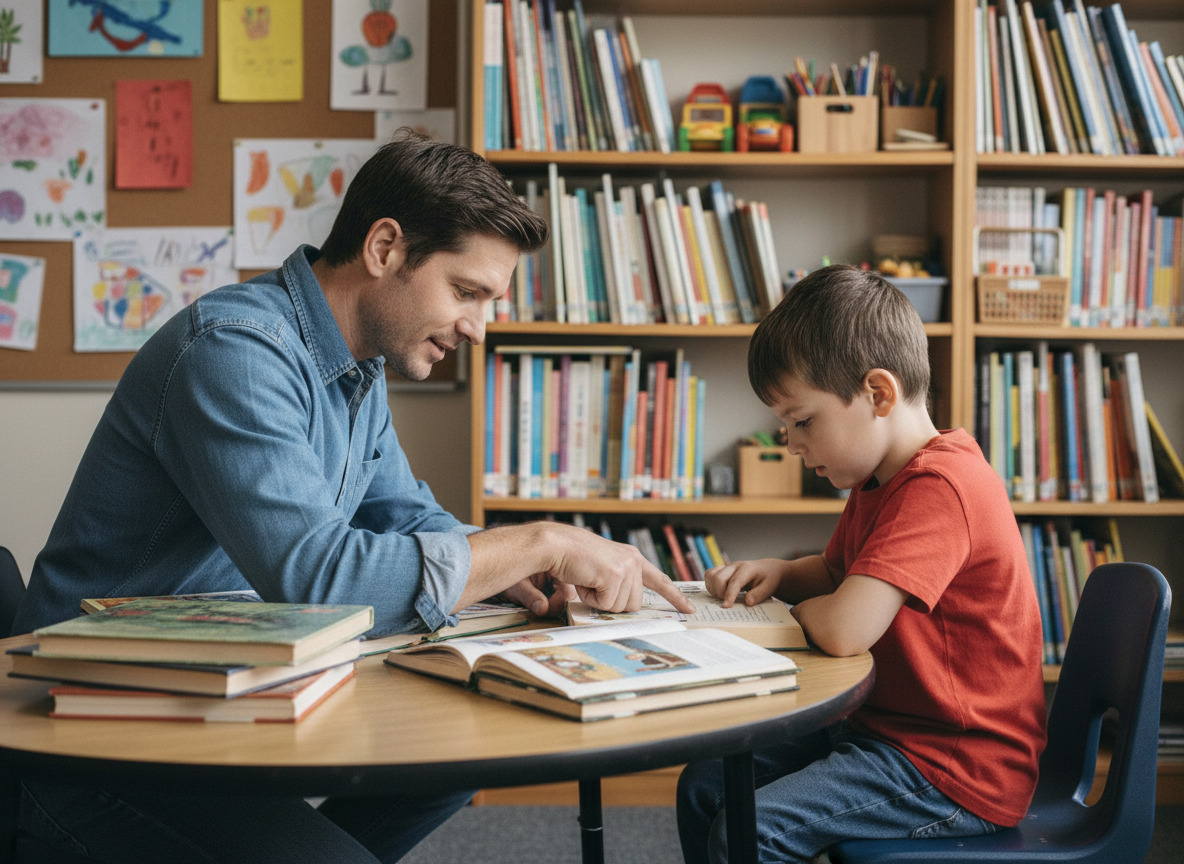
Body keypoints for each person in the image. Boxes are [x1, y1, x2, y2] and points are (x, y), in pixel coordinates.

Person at [12, 130, 693, 864]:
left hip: (212, 701)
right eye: (466, 293)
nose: (478, 328)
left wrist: (522, 576)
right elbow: (323, 576)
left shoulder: (355, 370)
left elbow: (407, 516)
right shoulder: (234, 352)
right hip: (96, 743)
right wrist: (543, 542)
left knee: (465, 750)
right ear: (385, 248)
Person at [676, 264, 1047, 864]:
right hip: (884, 730)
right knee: (706, 784)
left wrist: (791, 616)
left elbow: (845, 629)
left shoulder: (941, 486)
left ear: (878, 394)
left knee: (751, 832)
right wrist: (781, 573)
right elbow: (837, 573)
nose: (792, 445)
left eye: (802, 421)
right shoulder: (880, 478)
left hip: (954, 764)